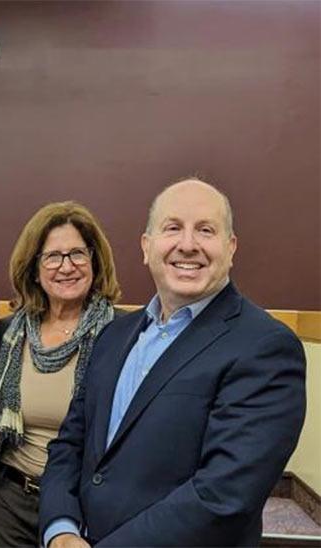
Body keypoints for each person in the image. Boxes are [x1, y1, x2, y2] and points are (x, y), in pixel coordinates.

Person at [39, 178, 307, 546]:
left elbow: (222, 495)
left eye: (206, 230)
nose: (188, 244)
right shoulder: (113, 336)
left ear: (231, 248)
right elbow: (69, 444)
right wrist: (61, 531)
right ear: (146, 247)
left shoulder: (266, 348)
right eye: (173, 228)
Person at [0, 202, 121, 546]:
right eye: (53, 256)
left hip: (85, 506)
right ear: (34, 269)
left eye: (78, 255)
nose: (66, 267)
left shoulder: (123, 335)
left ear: (95, 263)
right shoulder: (5, 335)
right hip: (9, 504)